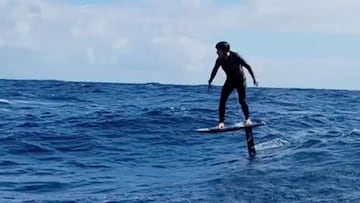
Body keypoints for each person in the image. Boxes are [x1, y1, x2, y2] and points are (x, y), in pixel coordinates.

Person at [208, 41, 258, 129]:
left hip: (240, 80)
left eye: (218, 50)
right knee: (222, 100)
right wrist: (210, 81)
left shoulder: (236, 56)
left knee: (242, 100)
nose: (216, 52)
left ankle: (247, 119)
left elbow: (248, 66)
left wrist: (254, 79)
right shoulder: (219, 60)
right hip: (230, 81)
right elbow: (215, 70)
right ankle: (221, 122)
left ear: (224, 51)